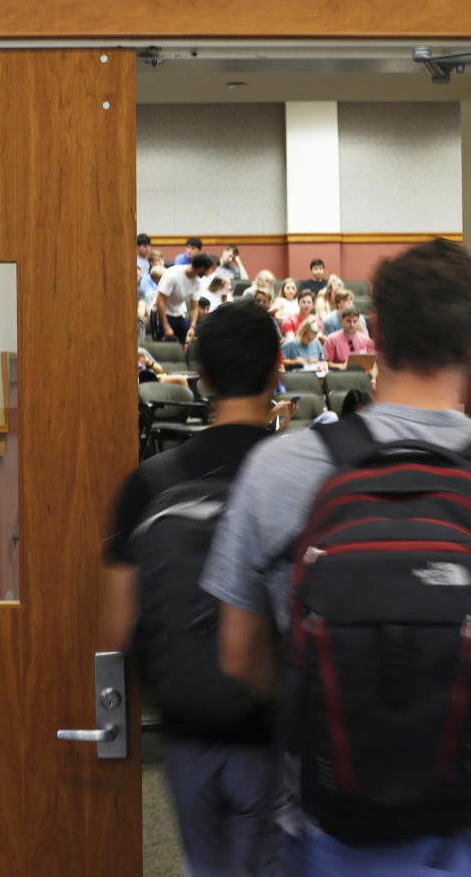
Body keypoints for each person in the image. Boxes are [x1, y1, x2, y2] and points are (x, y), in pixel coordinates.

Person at [201, 238, 471, 877]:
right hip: (470, 835)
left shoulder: (278, 469)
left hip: (321, 829)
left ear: (375, 331)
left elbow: (238, 655)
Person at [101, 300, 297, 877]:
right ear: (277, 368)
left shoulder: (149, 483)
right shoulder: (299, 479)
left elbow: (114, 630)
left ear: (201, 375)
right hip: (274, 729)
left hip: (186, 729)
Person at [156, 253, 216, 345]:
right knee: (163, 346)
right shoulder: (173, 274)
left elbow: (194, 307)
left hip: (177, 313)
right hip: (160, 313)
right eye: (209, 270)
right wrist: (166, 326)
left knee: (185, 344)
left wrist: (192, 327)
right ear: (202, 268)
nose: (208, 274)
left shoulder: (197, 281)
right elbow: (160, 301)